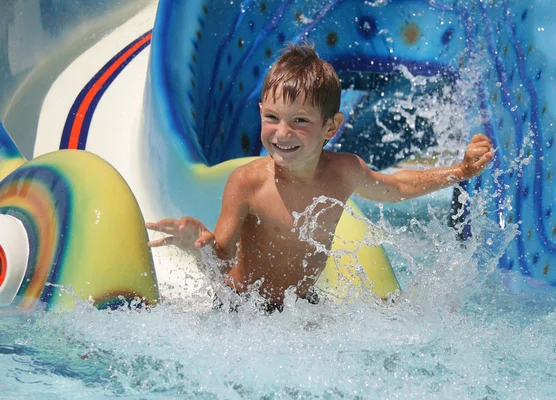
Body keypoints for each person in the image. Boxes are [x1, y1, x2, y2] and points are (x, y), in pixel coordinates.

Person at [146, 44, 494, 312]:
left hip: (302, 306)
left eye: (300, 121)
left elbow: (397, 187)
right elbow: (221, 261)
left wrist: (460, 172)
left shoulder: (344, 171)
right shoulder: (248, 182)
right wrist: (199, 242)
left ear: (331, 127)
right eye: (272, 116)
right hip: (243, 309)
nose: (283, 132)